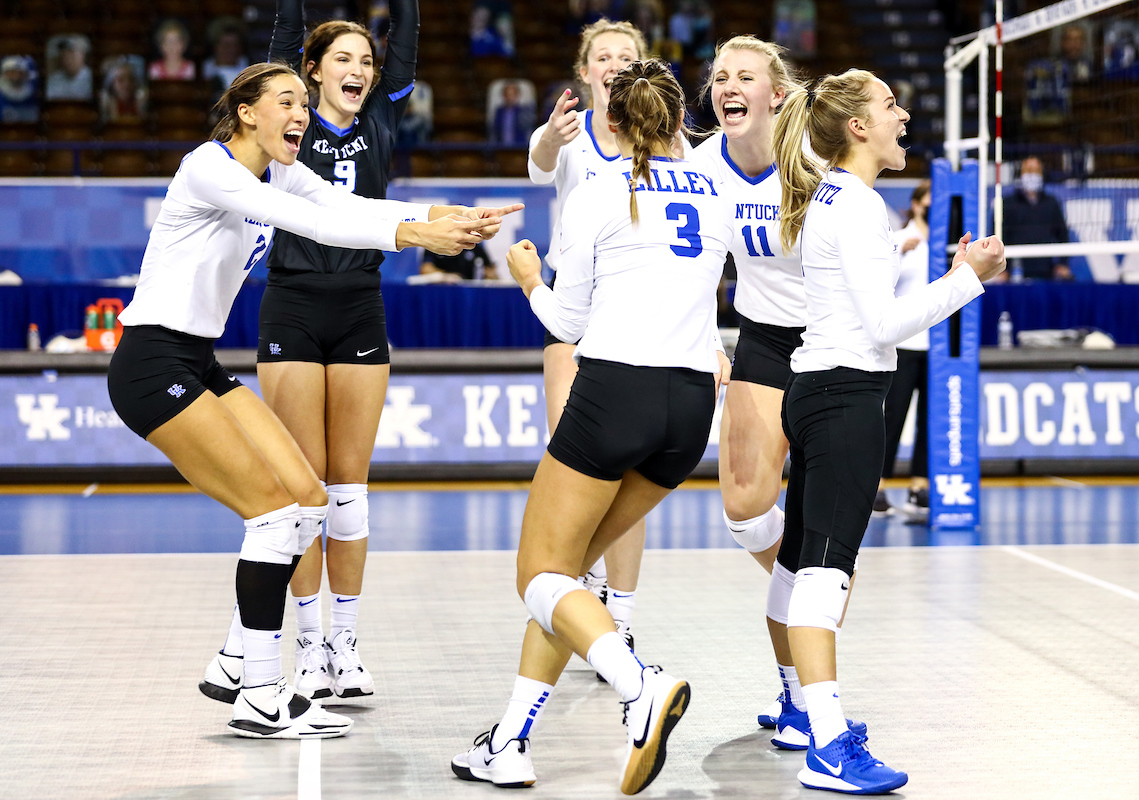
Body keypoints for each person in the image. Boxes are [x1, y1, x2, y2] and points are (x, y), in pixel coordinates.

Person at [109, 61, 504, 738]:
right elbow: (305, 224)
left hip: (197, 359)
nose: (301, 113)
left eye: (302, 102)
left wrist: (443, 215)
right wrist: (414, 238)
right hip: (152, 362)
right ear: (246, 114)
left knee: (307, 499)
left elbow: (342, 206)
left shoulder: (278, 170)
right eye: (286, 101)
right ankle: (262, 693)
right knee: (269, 514)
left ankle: (236, 657)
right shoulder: (210, 168)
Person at [197, 0, 523, 706]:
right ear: (309, 73)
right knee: (301, 486)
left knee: (348, 488)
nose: (357, 69)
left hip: (359, 308)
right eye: (340, 58)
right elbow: (281, 47)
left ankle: (344, 643)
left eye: (366, 61)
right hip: (292, 302)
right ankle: (307, 645)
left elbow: (405, 38)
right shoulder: (291, 125)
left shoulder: (380, 120)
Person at [452, 58, 733, 794]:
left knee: (538, 573)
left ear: (613, 123)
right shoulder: (718, 190)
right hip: (691, 408)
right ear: (681, 119)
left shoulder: (603, 191)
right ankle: (507, 743)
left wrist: (525, 277)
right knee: (567, 579)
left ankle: (640, 686)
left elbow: (565, 323)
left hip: (616, 391)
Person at [772, 68, 1006, 792]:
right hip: (844, 399)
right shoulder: (859, 204)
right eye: (890, 105)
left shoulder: (827, 197)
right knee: (824, 572)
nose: (903, 117)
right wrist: (969, 276)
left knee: (798, 565)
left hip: (812, 390)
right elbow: (885, 325)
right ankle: (829, 746)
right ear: (857, 128)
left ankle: (803, 716)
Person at [690, 34, 817, 747]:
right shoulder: (703, 166)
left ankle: (800, 691)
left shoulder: (815, 153)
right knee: (744, 509)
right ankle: (809, 570)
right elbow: (697, 264)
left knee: (821, 535)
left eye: (744, 76)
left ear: (777, 92)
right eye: (719, 77)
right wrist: (707, 340)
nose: (727, 86)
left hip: (834, 344)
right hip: (764, 336)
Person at [527, 18, 654, 670]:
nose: (612, 64)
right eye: (602, 56)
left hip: (638, 308)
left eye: (624, 56)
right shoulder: (571, 138)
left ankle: (621, 617)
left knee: (630, 469)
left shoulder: (664, 143)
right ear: (586, 71)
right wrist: (551, 133)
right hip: (575, 305)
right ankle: (577, 589)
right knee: (573, 459)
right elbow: (539, 161)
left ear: (639, 68)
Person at [875, 180, 932, 521]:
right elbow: (880, 283)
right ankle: (878, 487)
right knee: (893, 418)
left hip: (933, 347)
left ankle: (918, 487)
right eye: (925, 202)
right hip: (904, 344)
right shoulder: (898, 239)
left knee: (929, 420)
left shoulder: (944, 245)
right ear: (914, 204)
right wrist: (899, 252)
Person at [1002, 156, 1071, 281]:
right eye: (1028, 170)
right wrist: (1003, 270)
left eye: (1036, 171)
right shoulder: (1008, 203)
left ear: (1042, 174)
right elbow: (1001, 236)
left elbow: (1063, 235)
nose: (1032, 175)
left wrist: (1062, 264)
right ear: (1021, 174)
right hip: (1016, 272)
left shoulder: (1051, 202)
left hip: (1045, 270)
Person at [99, 58, 148, 124]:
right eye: (120, 80)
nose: (127, 84)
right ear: (112, 84)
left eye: (131, 79)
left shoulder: (141, 104)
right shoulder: (107, 105)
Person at [45, 35, 93, 102]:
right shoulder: (54, 79)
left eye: (72, 53)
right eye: (64, 54)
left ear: (82, 55)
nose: (67, 59)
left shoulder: (91, 78)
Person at [0, 55, 39, 124]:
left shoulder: (34, 95)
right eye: (11, 72)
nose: (16, 76)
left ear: (25, 74)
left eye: (19, 73)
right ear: (4, 74)